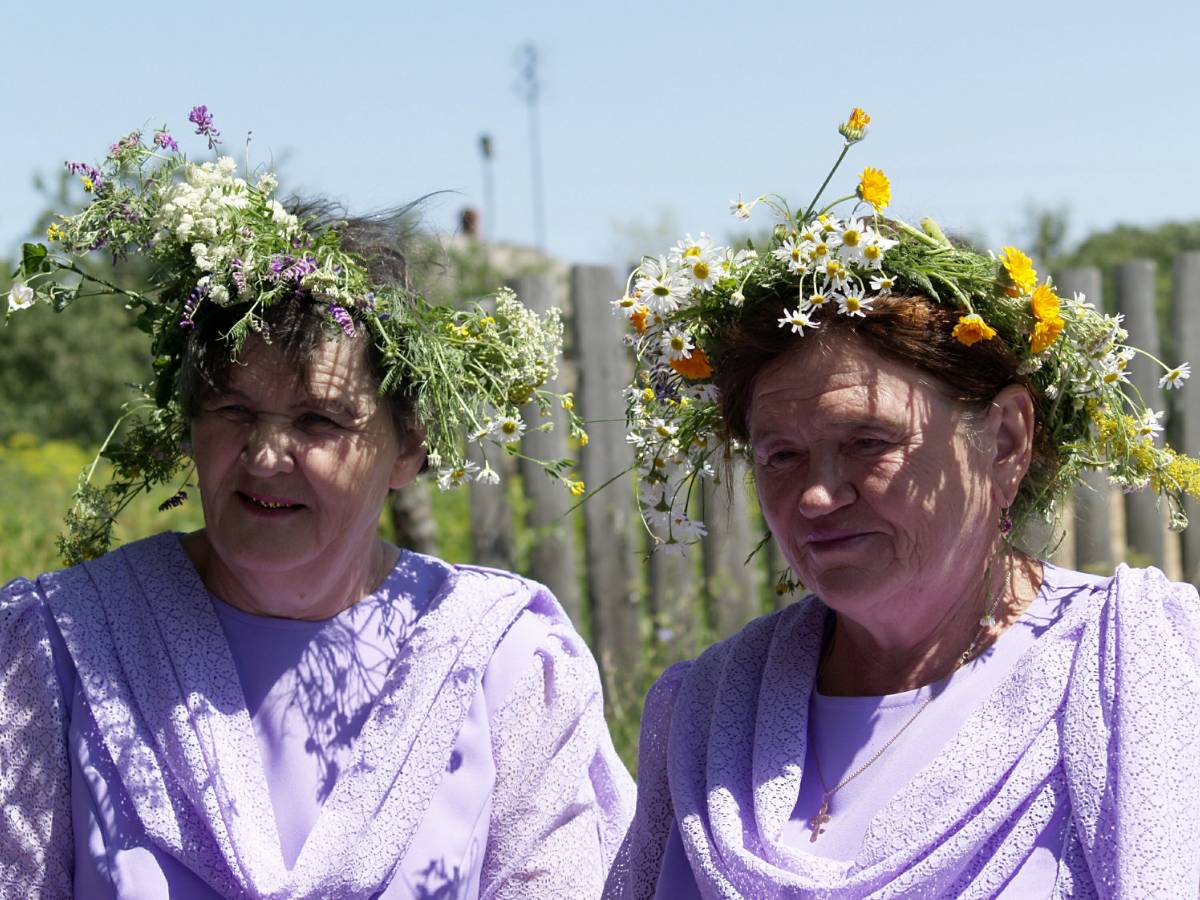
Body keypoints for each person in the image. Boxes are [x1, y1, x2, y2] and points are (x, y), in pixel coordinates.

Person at [1, 109, 633, 898]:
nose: (265, 456)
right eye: (232, 411)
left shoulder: (502, 662)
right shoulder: (61, 646)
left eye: (318, 420)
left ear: (409, 447)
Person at [602, 109, 1200, 897]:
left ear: (1009, 441)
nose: (815, 494)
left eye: (868, 443)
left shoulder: (1138, 671)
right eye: (780, 455)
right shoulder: (706, 715)